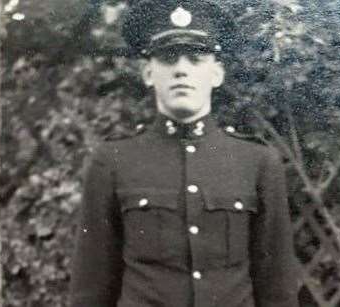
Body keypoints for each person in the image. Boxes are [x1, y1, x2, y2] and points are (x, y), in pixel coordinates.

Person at [69, 1, 299, 306]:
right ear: (148, 72)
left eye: (195, 58)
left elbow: (277, 287)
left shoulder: (257, 162)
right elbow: (92, 287)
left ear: (216, 74)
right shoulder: (112, 161)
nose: (181, 69)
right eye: (167, 58)